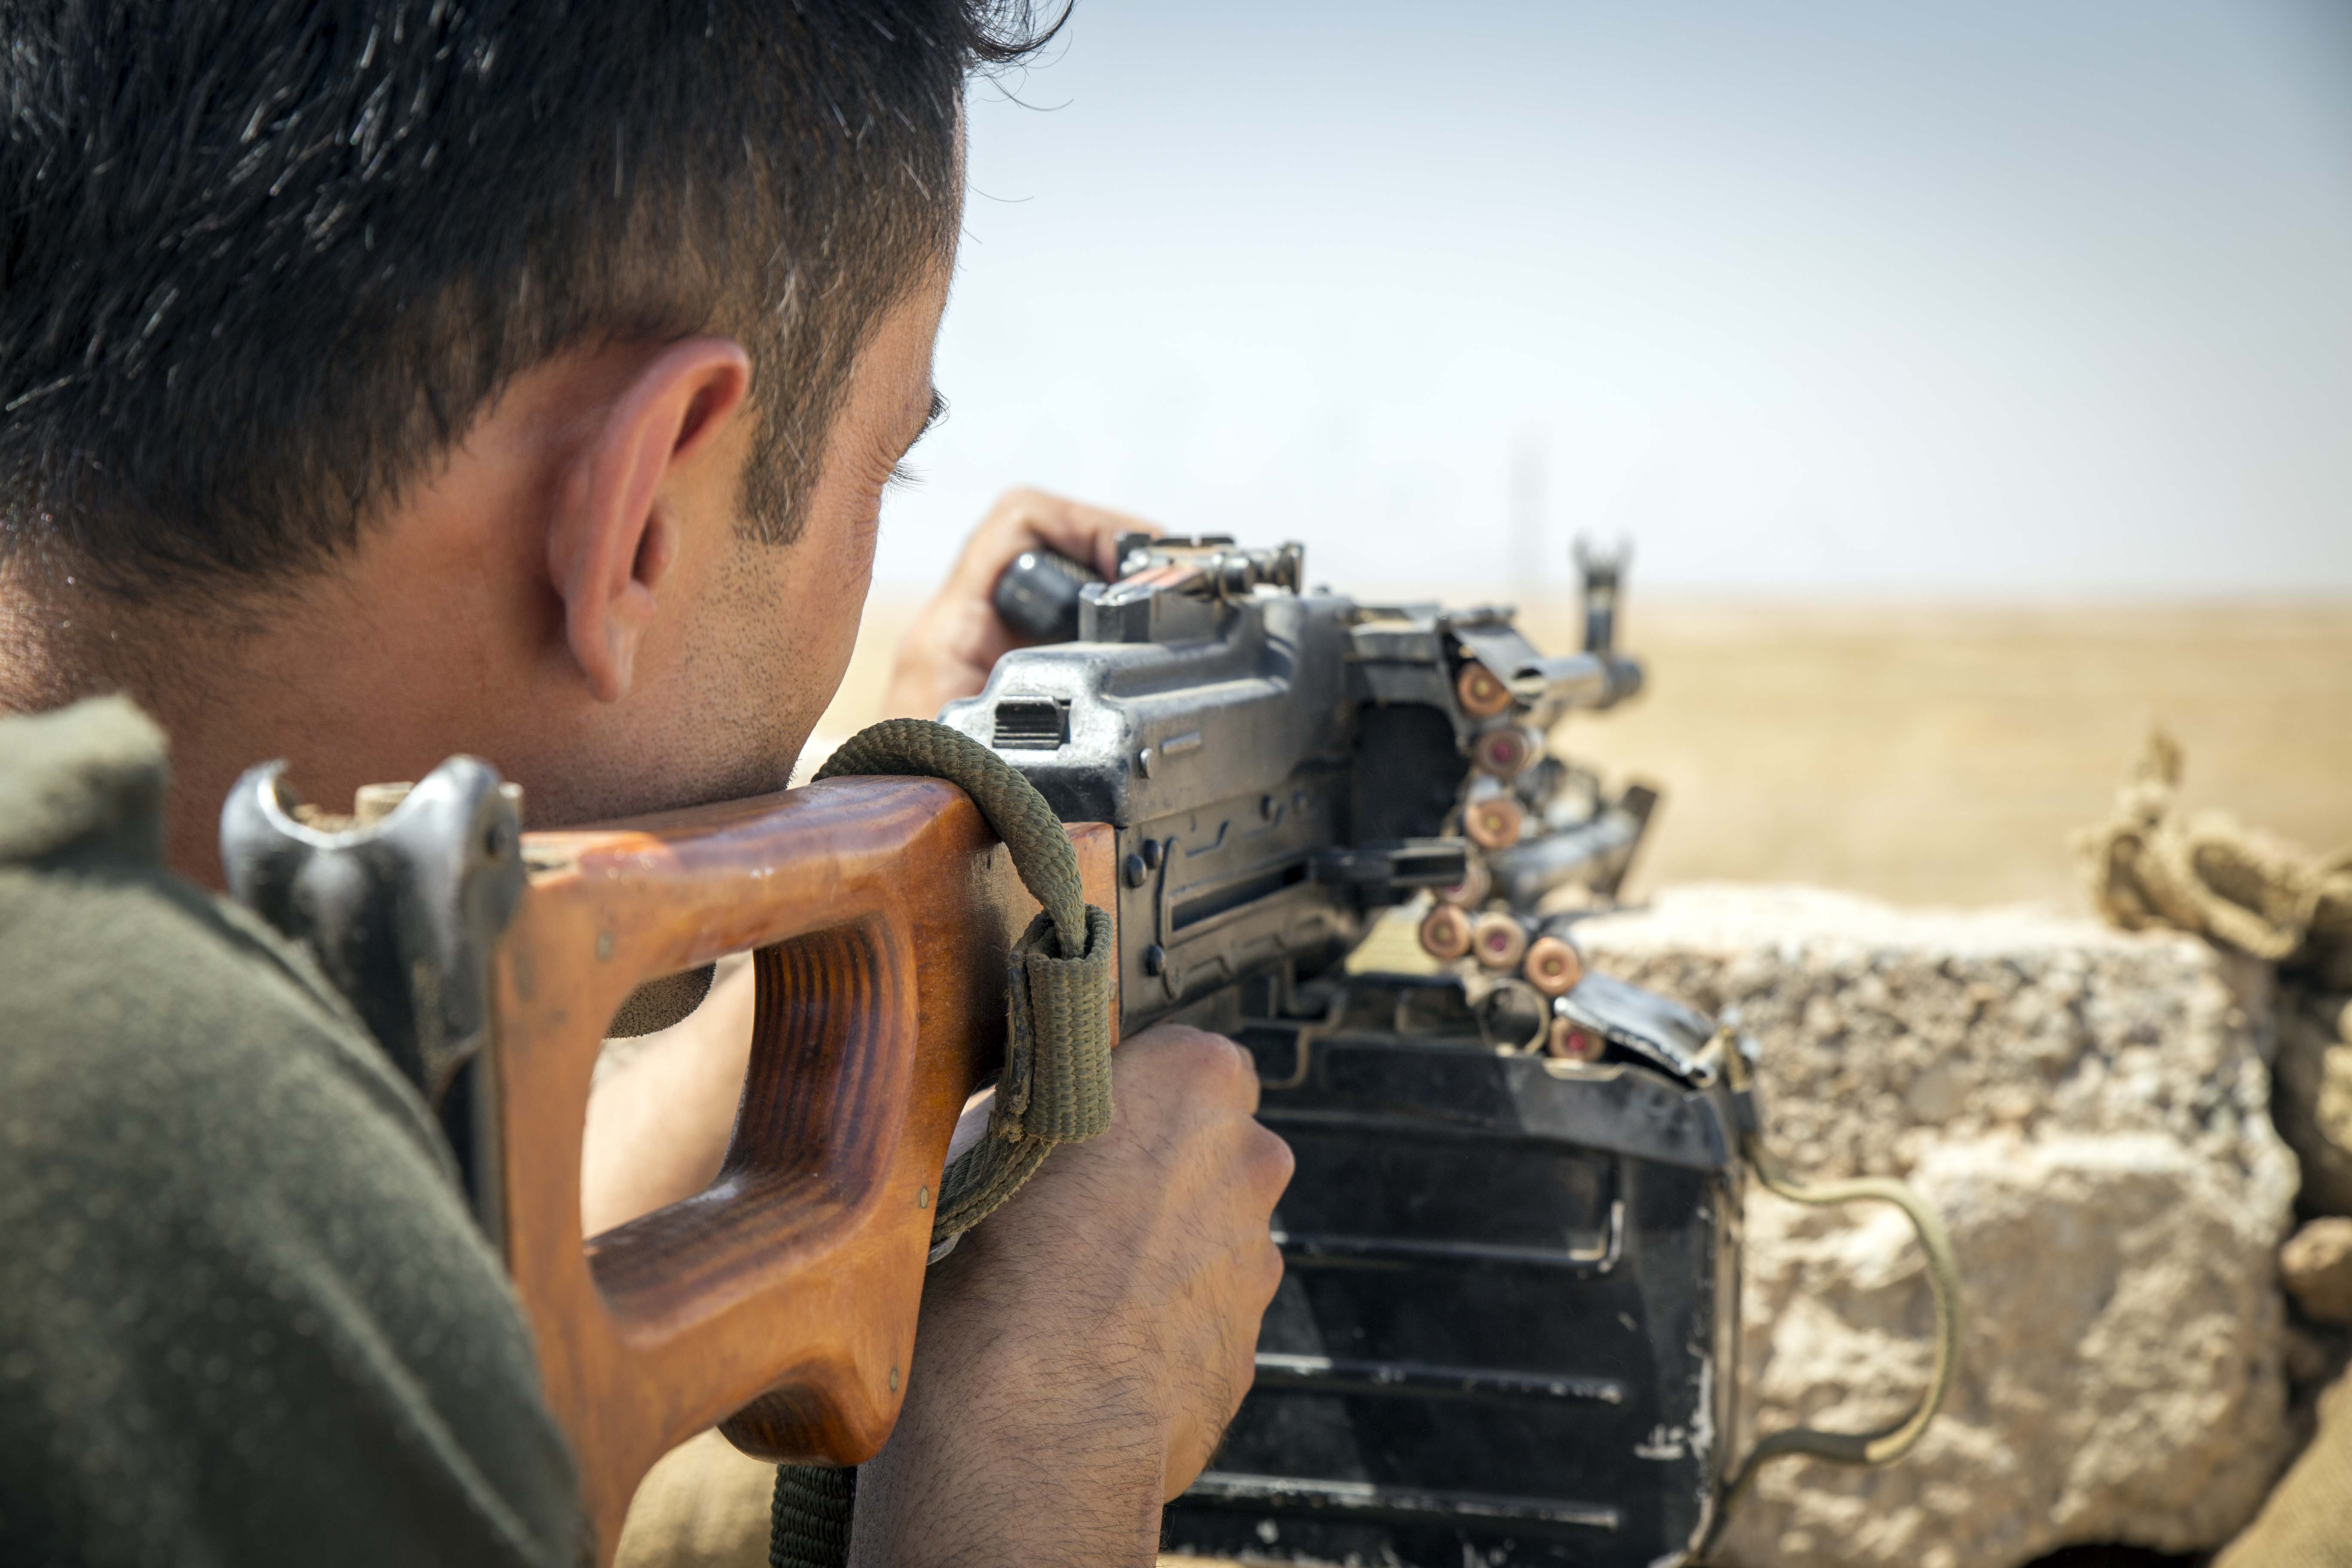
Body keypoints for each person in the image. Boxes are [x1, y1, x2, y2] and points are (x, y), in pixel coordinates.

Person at [0, 3, 1294, 1565]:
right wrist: (1034, 1448)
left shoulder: (142, 1062)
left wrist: (909, 885)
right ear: (634, 514)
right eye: (880, 470)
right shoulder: (127, 1129)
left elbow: (427, 1285)